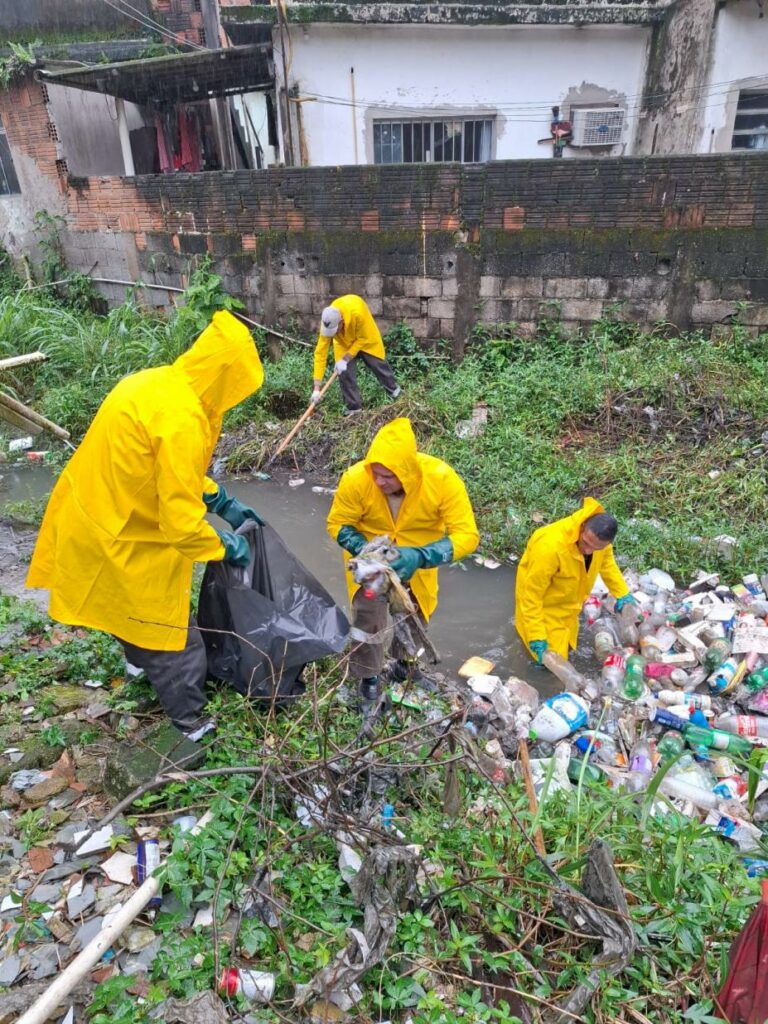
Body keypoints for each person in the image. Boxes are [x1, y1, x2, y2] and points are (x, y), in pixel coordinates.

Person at [26, 311, 265, 740]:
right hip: (122, 532)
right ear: (226, 378)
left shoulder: (158, 383)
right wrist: (225, 546)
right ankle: (191, 724)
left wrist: (218, 499)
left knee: (123, 606)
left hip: (93, 511)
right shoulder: (183, 419)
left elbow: (167, 471)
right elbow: (179, 524)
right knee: (175, 639)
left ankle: (137, 662)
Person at [327, 417, 479, 708]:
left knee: (415, 615)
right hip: (370, 568)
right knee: (367, 621)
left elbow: (467, 535)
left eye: (388, 476)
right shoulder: (357, 479)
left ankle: (405, 666)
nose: (379, 481)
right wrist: (367, 550)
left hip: (417, 563)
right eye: (376, 473)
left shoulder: (441, 479)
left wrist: (422, 556)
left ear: (406, 473)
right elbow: (338, 523)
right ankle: (368, 679)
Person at [515, 497, 636, 665]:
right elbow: (530, 596)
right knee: (546, 665)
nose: (588, 550)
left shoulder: (599, 543)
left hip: (569, 607)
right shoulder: (550, 547)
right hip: (544, 612)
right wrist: (536, 635)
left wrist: (622, 594)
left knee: (567, 651)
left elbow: (607, 564)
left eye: (596, 548)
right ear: (582, 527)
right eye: (586, 543)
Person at [311, 294, 400, 415]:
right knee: (345, 374)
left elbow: (362, 340)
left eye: (335, 330)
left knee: (377, 363)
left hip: (364, 337)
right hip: (343, 343)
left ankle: (396, 393)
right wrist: (317, 388)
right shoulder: (328, 322)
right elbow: (320, 353)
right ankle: (354, 410)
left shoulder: (356, 312)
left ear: (341, 321)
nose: (332, 334)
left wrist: (346, 358)